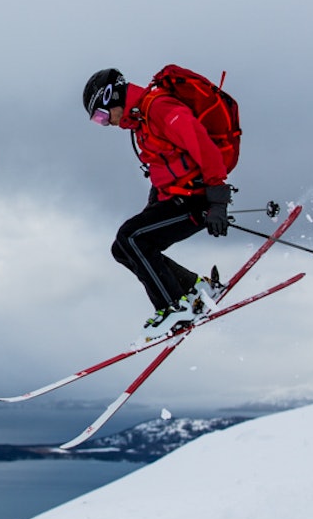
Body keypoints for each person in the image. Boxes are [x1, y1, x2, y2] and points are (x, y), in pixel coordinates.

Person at [82, 67, 233, 337]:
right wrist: (153, 212)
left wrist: (218, 202)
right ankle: (194, 290)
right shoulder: (141, 123)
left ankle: (175, 307)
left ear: (111, 96)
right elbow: (165, 172)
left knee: (131, 238)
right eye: (99, 121)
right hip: (178, 198)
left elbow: (205, 147)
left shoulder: (160, 108)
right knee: (123, 247)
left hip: (198, 200)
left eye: (102, 116)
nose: (107, 123)